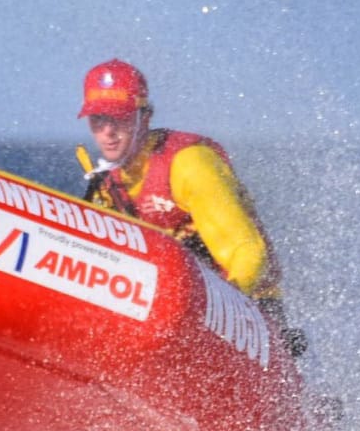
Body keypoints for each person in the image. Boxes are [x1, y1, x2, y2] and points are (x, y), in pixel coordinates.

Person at [76, 58, 281, 304]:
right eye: (98, 119)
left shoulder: (190, 163)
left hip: (250, 307)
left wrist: (221, 308)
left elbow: (249, 252)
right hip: (169, 308)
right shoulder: (108, 185)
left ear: (146, 117)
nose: (108, 131)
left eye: (120, 117)